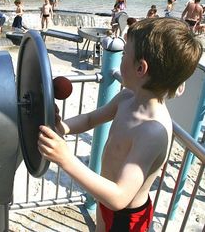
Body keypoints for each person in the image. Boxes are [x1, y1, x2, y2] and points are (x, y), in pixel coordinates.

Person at [37, 18, 202, 232]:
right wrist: (62, 128)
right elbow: (90, 119)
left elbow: (120, 196)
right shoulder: (126, 98)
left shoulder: (152, 132)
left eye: (124, 54)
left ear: (141, 68)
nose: (121, 58)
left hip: (126, 215)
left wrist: (66, 159)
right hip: (105, 196)